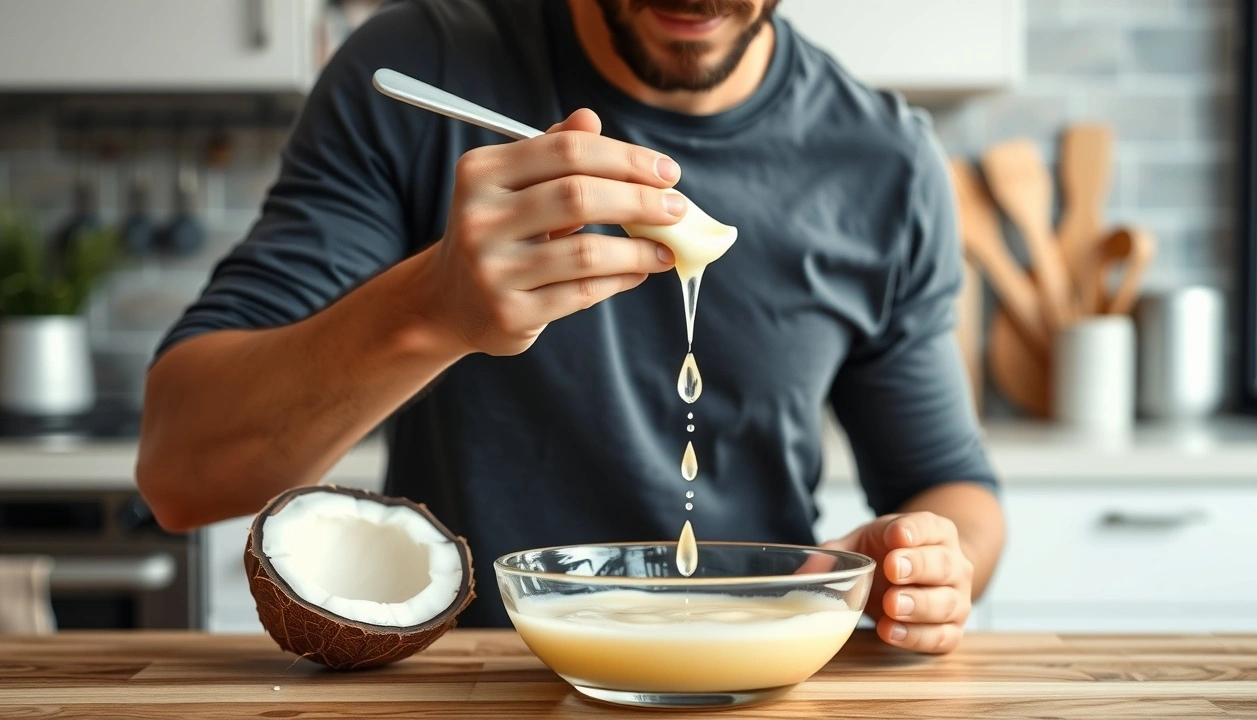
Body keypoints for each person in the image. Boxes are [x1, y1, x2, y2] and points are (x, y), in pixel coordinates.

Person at [137, 0, 1005, 654]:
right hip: (466, 684)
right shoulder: (427, 68)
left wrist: (920, 565)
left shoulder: (884, 161)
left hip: (752, 677)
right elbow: (182, 470)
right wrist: (433, 307)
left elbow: (952, 486)